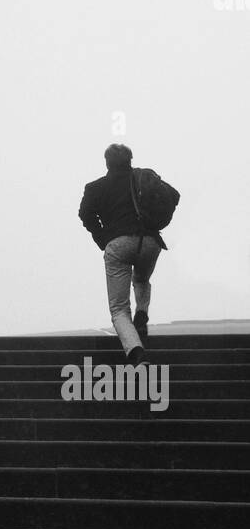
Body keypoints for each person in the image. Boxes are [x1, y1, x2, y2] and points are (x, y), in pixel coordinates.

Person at [78, 144, 166, 364]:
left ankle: (136, 352)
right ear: (130, 160)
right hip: (150, 242)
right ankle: (143, 313)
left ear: (107, 163)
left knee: (119, 308)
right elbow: (169, 197)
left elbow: (85, 214)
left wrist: (103, 239)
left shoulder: (96, 188)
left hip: (118, 244)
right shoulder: (143, 179)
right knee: (142, 278)